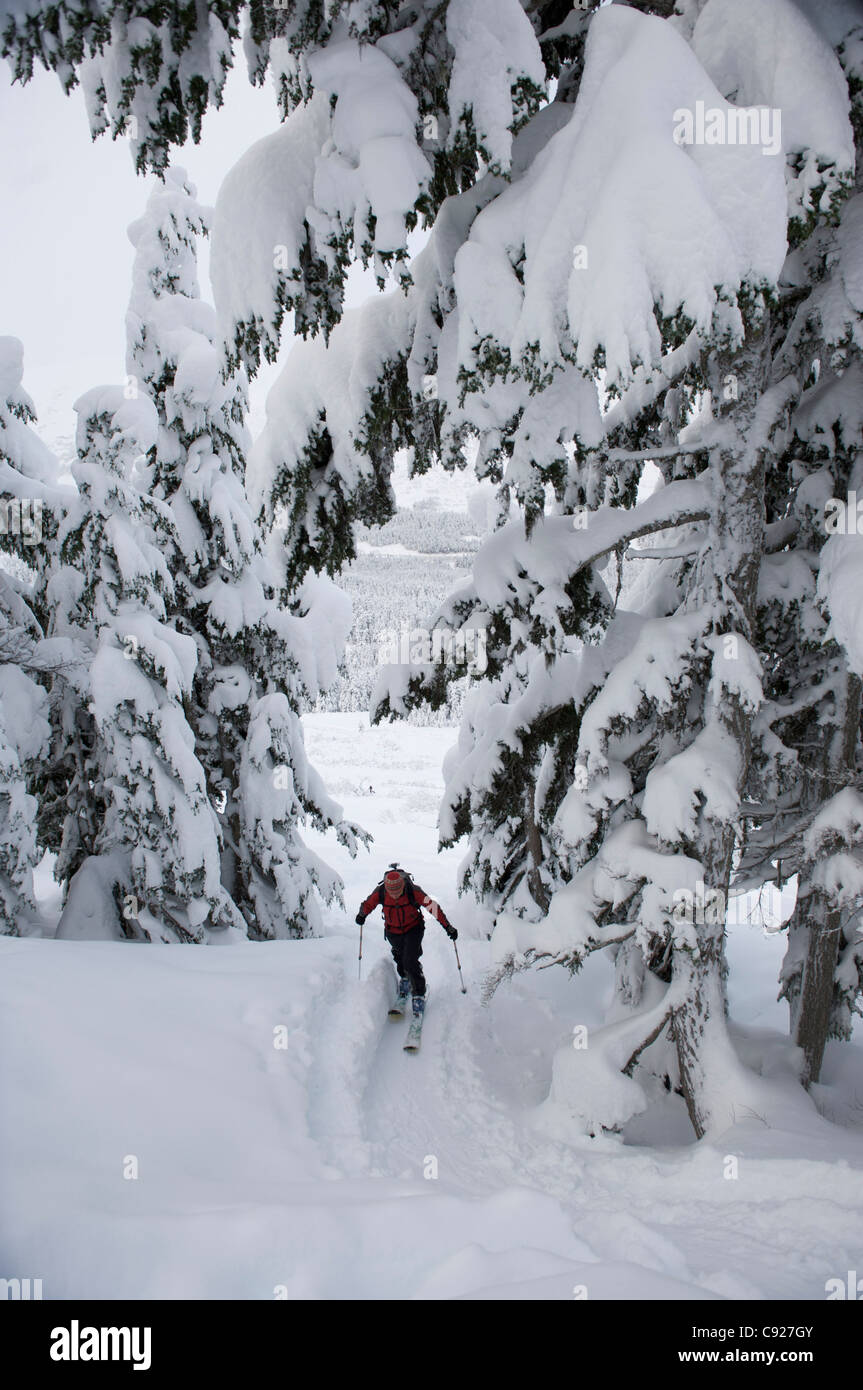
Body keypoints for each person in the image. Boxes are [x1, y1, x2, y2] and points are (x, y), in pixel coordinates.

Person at [355, 865, 457, 1015]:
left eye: (398, 892)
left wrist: (448, 927)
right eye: (392, 892)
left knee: (410, 960)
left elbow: (433, 907)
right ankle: (405, 978)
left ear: (403, 886)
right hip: (392, 931)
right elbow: (369, 903)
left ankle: (419, 993)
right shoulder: (381, 891)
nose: (395, 895)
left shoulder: (413, 891)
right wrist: (362, 914)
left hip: (413, 928)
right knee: (399, 957)